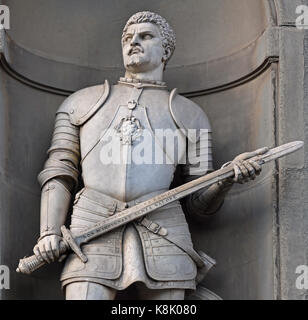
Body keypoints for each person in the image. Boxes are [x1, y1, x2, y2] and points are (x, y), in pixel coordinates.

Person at [33, 11, 264, 300]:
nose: (134, 42)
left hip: (164, 232)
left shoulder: (191, 114)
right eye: (128, 38)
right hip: (91, 227)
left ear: (166, 50)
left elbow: (199, 205)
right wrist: (49, 232)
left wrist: (227, 179)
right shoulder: (80, 102)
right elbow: (59, 171)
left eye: (146, 36)